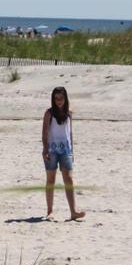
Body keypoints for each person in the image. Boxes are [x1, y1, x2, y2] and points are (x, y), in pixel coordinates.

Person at [42, 86, 86, 221]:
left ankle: (73, 212)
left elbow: (70, 132)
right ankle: (50, 211)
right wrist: (45, 149)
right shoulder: (49, 113)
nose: (58, 101)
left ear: (65, 98)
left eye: (61, 98)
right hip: (52, 150)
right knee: (51, 180)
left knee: (69, 179)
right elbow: (44, 132)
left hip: (66, 150)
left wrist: (72, 151)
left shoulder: (69, 113)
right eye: (56, 98)